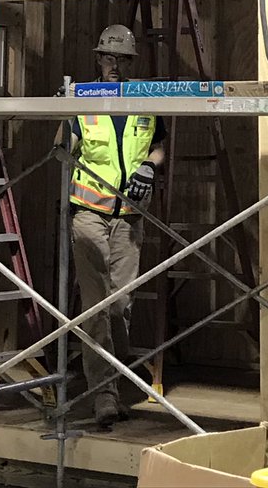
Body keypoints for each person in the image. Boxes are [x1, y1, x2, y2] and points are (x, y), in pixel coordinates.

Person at [69, 25, 166, 428]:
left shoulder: (146, 101)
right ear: (98, 60)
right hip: (89, 214)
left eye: (124, 59)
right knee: (95, 308)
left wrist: (150, 165)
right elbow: (64, 148)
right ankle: (104, 395)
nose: (116, 67)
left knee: (120, 304)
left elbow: (159, 145)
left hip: (129, 217)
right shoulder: (81, 101)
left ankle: (116, 377)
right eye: (110, 59)